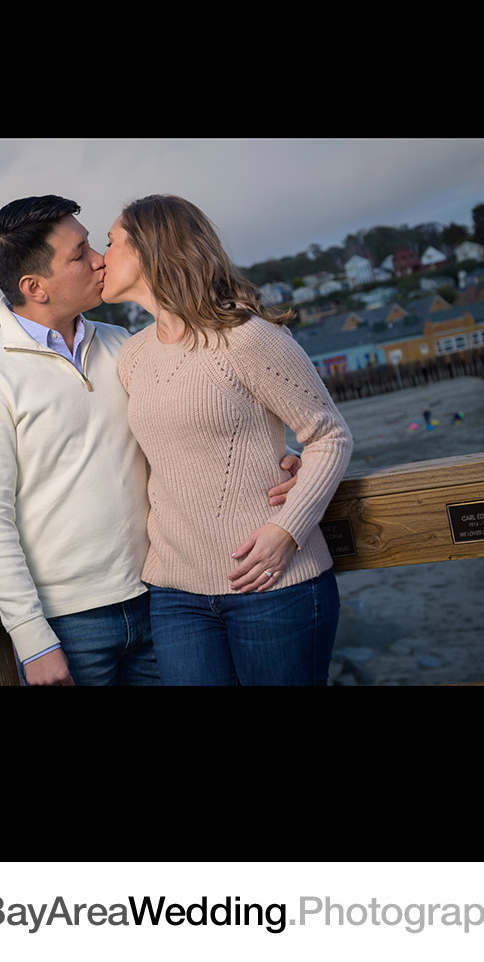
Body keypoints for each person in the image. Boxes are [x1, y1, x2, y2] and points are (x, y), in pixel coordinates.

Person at [0, 197, 301, 686]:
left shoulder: (123, 347)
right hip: (70, 626)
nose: (99, 259)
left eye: (94, 243)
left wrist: (279, 460)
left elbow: (185, 435)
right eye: (79, 253)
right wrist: (33, 640)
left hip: (165, 599)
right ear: (35, 287)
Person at [102, 194, 352, 686]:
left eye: (109, 243)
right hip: (176, 592)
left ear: (149, 250)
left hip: (275, 583)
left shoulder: (247, 337)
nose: (99, 257)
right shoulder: (132, 356)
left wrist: (289, 528)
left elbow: (329, 435)